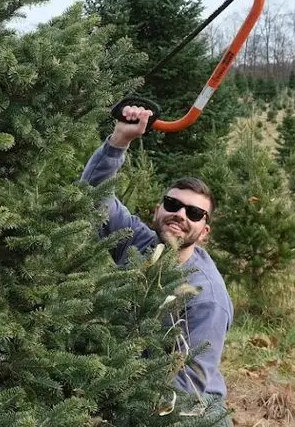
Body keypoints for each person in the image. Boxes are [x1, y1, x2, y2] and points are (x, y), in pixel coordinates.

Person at [81, 105, 234, 423]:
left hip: (189, 409)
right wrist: (119, 140)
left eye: (194, 213)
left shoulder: (206, 296)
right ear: (157, 209)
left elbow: (186, 385)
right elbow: (93, 197)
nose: (180, 214)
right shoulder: (139, 242)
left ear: (204, 233)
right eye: (173, 204)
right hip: (123, 381)